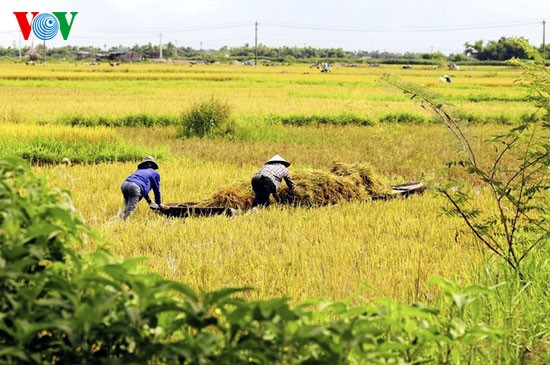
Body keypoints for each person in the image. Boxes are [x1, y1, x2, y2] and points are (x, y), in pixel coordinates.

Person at [120, 156, 168, 220]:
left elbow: (143, 189)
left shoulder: (138, 171)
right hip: (135, 187)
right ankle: (124, 223)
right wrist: (159, 203)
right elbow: (157, 190)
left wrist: (149, 201)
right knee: (130, 209)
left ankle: (120, 218)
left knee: (128, 206)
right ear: (152, 165)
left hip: (125, 185)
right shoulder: (155, 173)